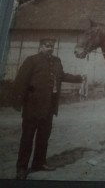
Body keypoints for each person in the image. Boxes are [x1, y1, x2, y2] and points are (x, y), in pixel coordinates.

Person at [12, 38, 83, 179]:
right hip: (32, 107)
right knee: (27, 138)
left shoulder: (57, 61)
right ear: (40, 47)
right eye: (47, 46)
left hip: (49, 108)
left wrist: (79, 78)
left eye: (52, 46)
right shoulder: (31, 60)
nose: (50, 48)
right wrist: (18, 102)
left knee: (43, 138)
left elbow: (62, 76)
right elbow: (21, 81)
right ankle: (21, 168)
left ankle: (39, 163)